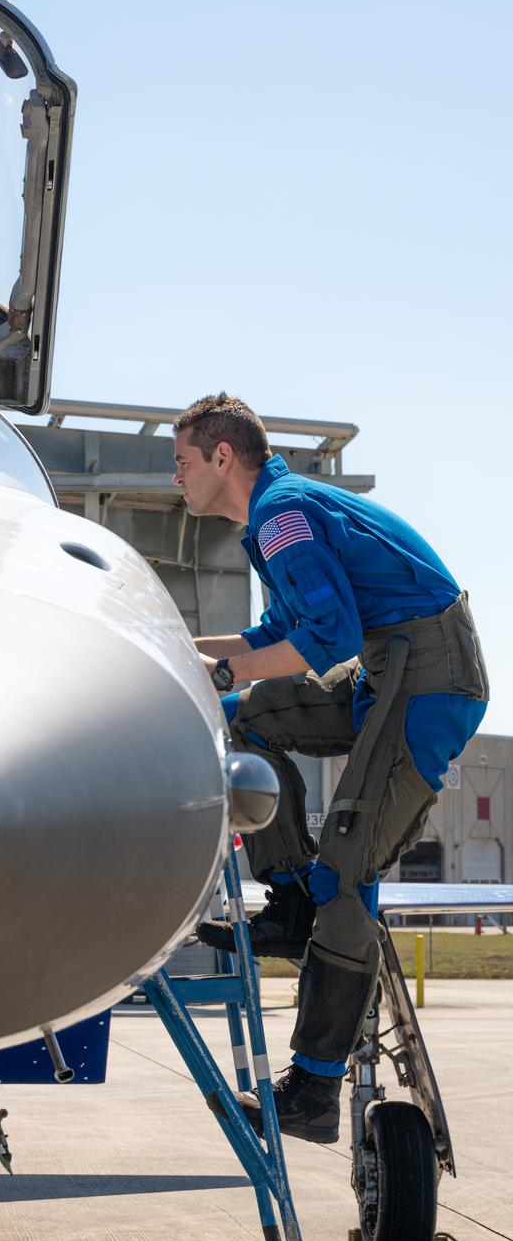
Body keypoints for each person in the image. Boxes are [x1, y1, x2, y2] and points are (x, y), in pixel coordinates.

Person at [174, 392, 488, 1142]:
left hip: (428, 681)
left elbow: (330, 634)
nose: (175, 479)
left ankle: (313, 1092)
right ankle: (288, 903)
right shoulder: (276, 520)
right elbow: (271, 637)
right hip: (393, 667)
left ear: (223, 458)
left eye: (182, 462)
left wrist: (220, 673)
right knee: (247, 714)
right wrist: (178, 653)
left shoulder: (282, 518)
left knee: (345, 874)